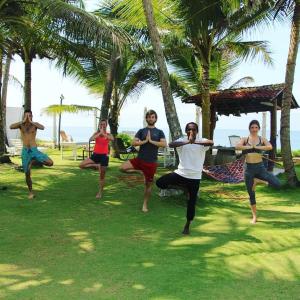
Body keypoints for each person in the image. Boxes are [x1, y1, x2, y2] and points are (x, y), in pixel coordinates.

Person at [156, 122, 214, 235]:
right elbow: (171, 144)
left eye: (193, 130)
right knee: (160, 183)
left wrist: (195, 141)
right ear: (186, 130)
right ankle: (182, 187)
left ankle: (187, 225)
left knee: (191, 203)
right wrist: (188, 141)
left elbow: (211, 142)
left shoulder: (202, 141)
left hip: (195, 178)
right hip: (181, 174)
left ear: (197, 131)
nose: (191, 132)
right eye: (188, 129)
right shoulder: (182, 141)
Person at [120, 110, 166, 212]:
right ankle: (140, 172)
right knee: (122, 168)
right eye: (149, 117)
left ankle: (144, 204)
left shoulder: (159, 132)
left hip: (151, 162)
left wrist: (151, 141)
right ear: (146, 119)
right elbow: (133, 143)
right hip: (139, 159)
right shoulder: (141, 131)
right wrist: (144, 141)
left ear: (155, 119)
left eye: (153, 117)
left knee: (148, 186)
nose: (151, 119)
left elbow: (164, 144)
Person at [236, 120, 281, 224]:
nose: (254, 129)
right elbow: (237, 146)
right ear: (249, 128)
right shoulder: (245, 139)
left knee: (277, 183)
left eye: (256, 127)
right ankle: (254, 217)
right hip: (248, 169)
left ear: (258, 128)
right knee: (251, 194)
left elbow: (270, 147)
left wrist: (257, 147)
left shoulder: (262, 139)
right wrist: (249, 147)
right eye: (252, 127)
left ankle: (257, 181)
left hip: (260, 167)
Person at [10, 109, 53, 199]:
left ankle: (33, 160)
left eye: (29, 116)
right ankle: (30, 192)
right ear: (23, 116)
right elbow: (11, 126)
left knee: (50, 163)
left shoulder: (35, 125)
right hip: (25, 151)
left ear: (32, 116)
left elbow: (42, 127)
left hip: (34, 150)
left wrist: (31, 121)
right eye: (26, 116)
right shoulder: (21, 125)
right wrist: (23, 121)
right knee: (27, 173)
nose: (27, 118)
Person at [79, 119, 113, 199]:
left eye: (104, 124)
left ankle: (100, 192)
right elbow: (91, 139)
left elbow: (112, 139)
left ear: (106, 125)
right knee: (81, 165)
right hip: (95, 155)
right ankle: (96, 165)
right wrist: (99, 133)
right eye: (101, 124)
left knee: (102, 176)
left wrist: (103, 134)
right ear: (99, 125)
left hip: (104, 156)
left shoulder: (108, 134)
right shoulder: (96, 134)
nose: (102, 125)